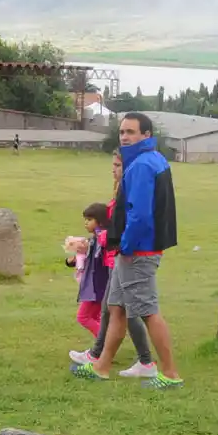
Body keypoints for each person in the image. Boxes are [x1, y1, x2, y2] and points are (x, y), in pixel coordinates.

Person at [72, 113, 183, 388]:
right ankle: (101, 366)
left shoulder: (142, 165)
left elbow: (140, 215)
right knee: (116, 307)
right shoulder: (154, 159)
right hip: (134, 250)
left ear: (146, 135)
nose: (124, 137)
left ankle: (169, 374)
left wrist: (125, 245)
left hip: (139, 251)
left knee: (147, 311)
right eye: (122, 132)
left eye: (131, 132)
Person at [70, 151, 156, 378]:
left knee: (134, 311)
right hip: (118, 258)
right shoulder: (119, 194)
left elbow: (130, 225)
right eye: (114, 165)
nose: (113, 169)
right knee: (113, 309)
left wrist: (108, 241)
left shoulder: (130, 193)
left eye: (117, 165)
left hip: (126, 257)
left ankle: (146, 362)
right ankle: (99, 357)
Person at [65, 203, 110, 338]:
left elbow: (97, 261)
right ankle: (104, 345)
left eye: (89, 220)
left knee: (83, 317)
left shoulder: (101, 240)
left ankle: (104, 344)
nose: (86, 223)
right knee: (95, 317)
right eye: (85, 219)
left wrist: (86, 250)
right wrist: (74, 260)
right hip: (97, 286)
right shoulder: (94, 240)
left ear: (100, 221)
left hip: (96, 286)